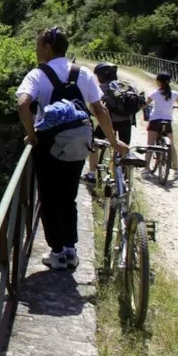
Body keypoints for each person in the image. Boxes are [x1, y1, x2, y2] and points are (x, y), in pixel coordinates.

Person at [17, 28, 128, 271]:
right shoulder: (83, 73)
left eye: (38, 45)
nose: (36, 49)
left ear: (47, 48)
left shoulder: (38, 74)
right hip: (79, 140)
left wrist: (32, 134)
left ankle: (56, 252)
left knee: (49, 197)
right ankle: (71, 249)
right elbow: (100, 110)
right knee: (69, 196)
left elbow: (23, 103)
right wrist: (112, 140)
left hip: (48, 143)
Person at [82, 62, 142, 184]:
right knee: (123, 146)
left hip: (110, 122)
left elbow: (95, 109)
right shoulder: (125, 85)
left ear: (100, 76)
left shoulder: (103, 88)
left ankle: (92, 174)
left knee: (94, 144)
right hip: (126, 122)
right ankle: (124, 177)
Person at [145, 71, 178, 180]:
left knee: (150, 145)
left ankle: (146, 169)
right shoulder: (174, 94)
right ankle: (177, 171)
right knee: (172, 146)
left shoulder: (154, 93)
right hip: (167, 122)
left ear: (159, 82)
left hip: (155, 121)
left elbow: (145, 104)